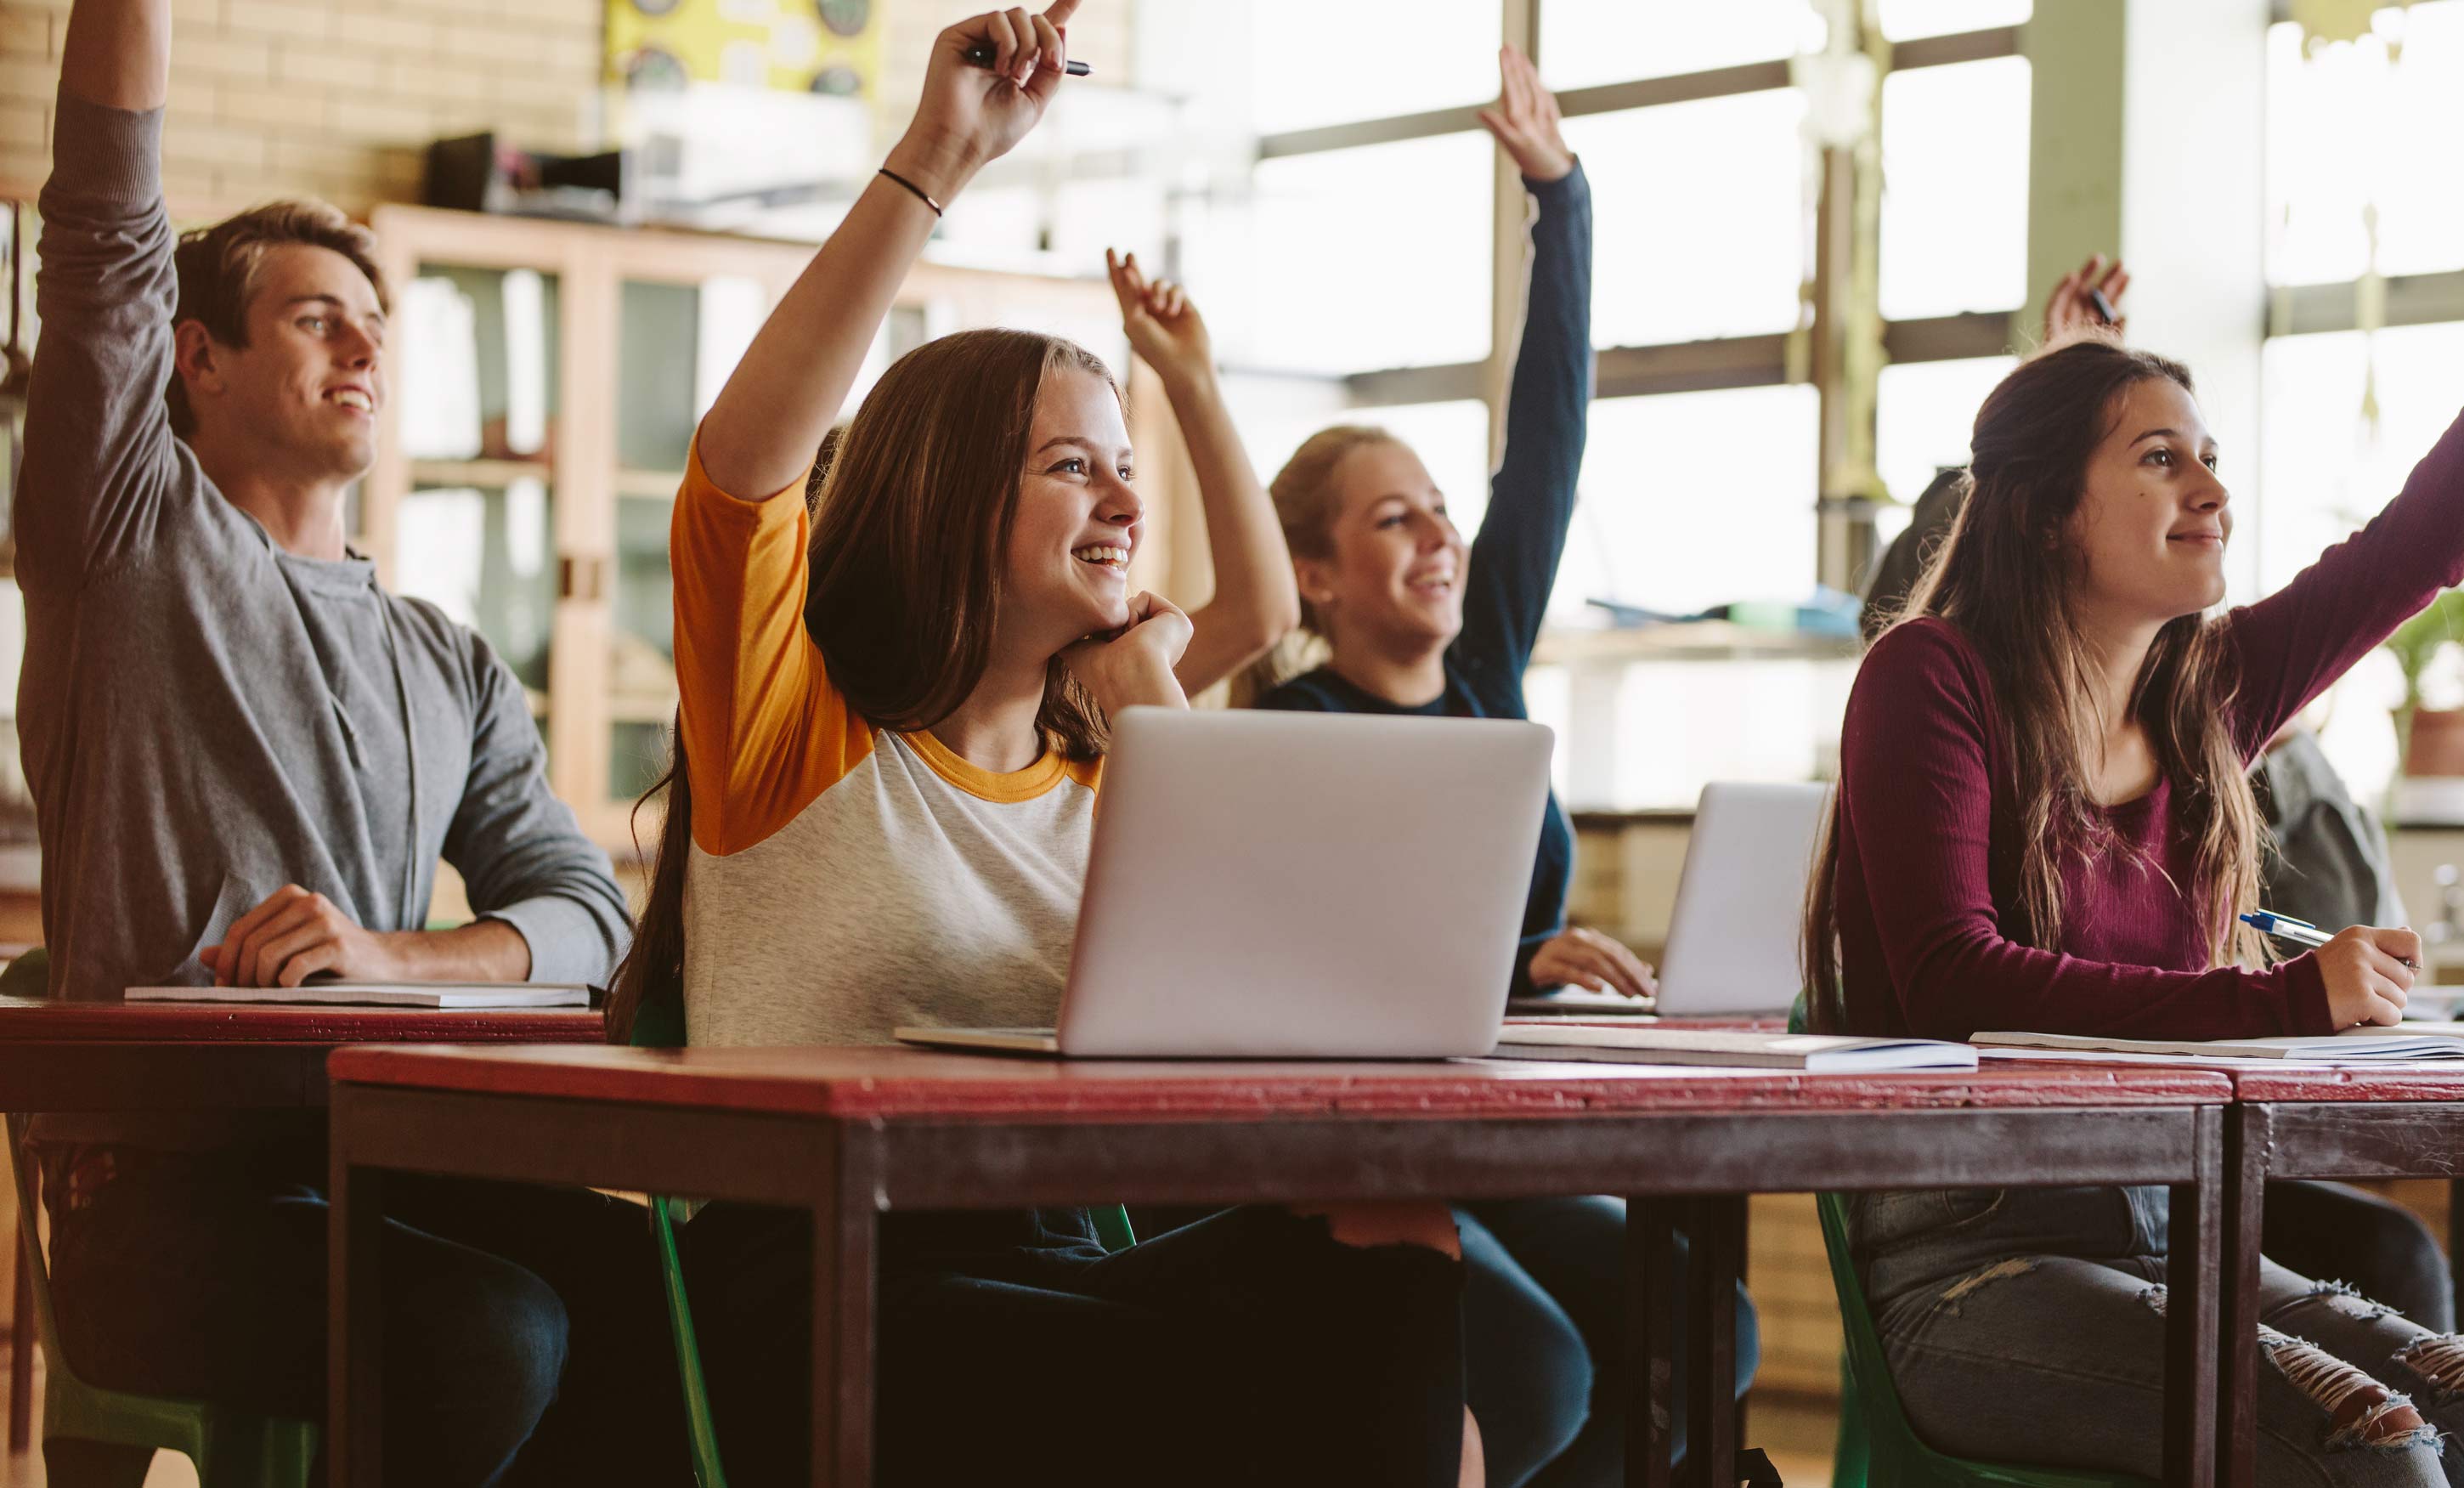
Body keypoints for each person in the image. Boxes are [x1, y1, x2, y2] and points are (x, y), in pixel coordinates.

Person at [610, 6, 1479, 1482]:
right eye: (1073, 467)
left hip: (1067, 1257)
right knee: (1334, 1404)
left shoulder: (1101, 758)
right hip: (839, 1288)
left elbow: (1276, 1007)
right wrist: (937, 156)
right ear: (949, 497)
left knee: (1396, 1241)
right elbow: (743, 469)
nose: (1125, 508)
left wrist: (1150, 705)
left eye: (1124, 472)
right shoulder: (797, 731)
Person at [22, 3, 675, 1482]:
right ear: (196, 360)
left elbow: (587, 917)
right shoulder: (125, 531)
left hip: (378, 1161)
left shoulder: (447, 658)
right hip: (158, 1207)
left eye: (376, 321)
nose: (365, 340)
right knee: (491, 1330)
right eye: (319, 316)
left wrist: (398, 956)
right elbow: (104, 225)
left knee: (664, 1295)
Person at [1806, 332, 2464, 1480]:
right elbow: (1956, 975)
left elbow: (2417, 543)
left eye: (2208, 458)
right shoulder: (1929, 676)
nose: (2211, 491)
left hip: (2178, 1235)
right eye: (2163, 460)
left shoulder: (2208, 695)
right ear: (2050, 511)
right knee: (2378, 1447)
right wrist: (2283, 999)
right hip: (1968, 1270)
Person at [1242, 47, 1750, 1487]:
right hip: (1379, 1155)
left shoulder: (1484, 681)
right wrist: (1522, 969)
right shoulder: (1290, 734)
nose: (1439, 537)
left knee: (1702, 1323)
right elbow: (1323, 971)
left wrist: (1562, 202)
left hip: (1511, 1125)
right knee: (1550, 1368)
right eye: (1393, 521)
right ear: (1316, 574)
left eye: (1439, 512)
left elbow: (1551, 448)